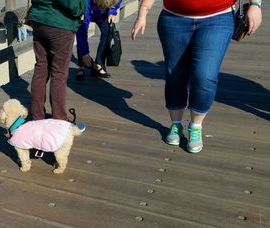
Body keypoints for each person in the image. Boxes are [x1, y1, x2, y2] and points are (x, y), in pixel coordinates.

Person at [131, 0, 262, 153]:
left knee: (204, 76)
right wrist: (143, 12)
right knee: (175, 74)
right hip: (174, 19)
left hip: (217, 18)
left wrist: (255, 5)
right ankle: (176, 123)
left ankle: (196, 126)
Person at [26, 0, 88, 121]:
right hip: (60, 25)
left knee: (40, 69)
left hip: (39, 21)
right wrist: (83, 6)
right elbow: (72, 5)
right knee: (59, 73)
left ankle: (38, 116)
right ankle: (59, 119)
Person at [75, 0, 122, 80]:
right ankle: (82, 65)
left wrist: (112, 11)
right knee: (82, 31)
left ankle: (99, 63)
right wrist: (85, 54)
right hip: (89, 9)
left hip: (105, 10)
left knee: (107, 32)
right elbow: (81, 32)